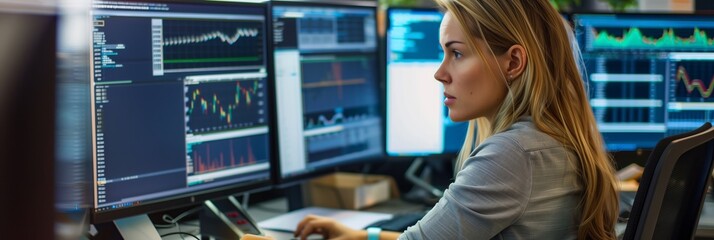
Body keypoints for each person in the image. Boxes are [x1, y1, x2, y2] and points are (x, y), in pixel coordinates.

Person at [294, 0, 619, 239]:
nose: (440, 73)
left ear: (514, 62)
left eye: (457, 53)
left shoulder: (513, 155)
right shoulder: (551, 140)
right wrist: (368, 236)